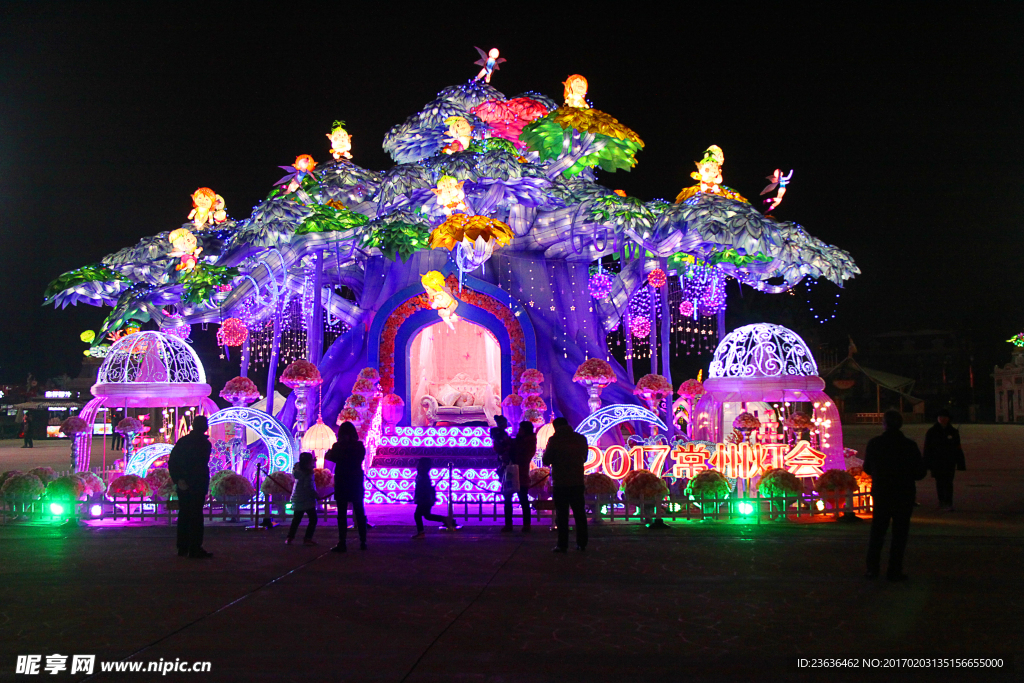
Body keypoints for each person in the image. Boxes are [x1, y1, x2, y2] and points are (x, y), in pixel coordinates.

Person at [862, 410, 927, 581]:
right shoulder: (909, 445)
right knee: (900, 534)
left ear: (884, 424)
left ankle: (872, 568)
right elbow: (920, 472)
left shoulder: (875, 443)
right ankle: (894, 570)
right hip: (903, 493)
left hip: (882, 492)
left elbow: (867, 468)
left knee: (878, 531)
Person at [167, 415, 213, 559]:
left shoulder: (183, 441)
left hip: (184, 483)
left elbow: (173, 461)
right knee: (196, 515)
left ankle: (183, 546)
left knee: (185, 514)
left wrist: (178, 479)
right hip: (197, 483)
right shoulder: (204, 444)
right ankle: (194, 547)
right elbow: (199, 465)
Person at [542, 417, 588, 552]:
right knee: (580, 514)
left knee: (562, 515)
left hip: (561, 482)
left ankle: (562, 544)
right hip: (577, 481)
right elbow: (584, 458)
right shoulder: (580, 439)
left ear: (556, 427)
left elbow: (546, 460)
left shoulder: (555, 440)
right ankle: (582, 543)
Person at [325, 421, 367, 552]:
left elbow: (329, 457)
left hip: (342, 479)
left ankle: (342, 542)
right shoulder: (359, 446)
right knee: (359, 511)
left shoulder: (338, 447)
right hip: (355, 479)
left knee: (342, 513)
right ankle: (363, 541)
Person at [923, 408, 966, 511]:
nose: (942, 419)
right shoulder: (932, 431)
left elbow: (958, 448)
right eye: (940, 417)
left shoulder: (953, 432)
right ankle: (941, 501)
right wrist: (926, 462)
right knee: (939, 482)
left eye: (945, 417)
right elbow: (927, 448)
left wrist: (960, 463)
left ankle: (949, 503)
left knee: (948, 482)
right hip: (936, 462)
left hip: (949, 462)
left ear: (948, 419)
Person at [411, 457, 456, 538]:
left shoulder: (422, 476)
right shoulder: (423, 475)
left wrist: (419, 498)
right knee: (427, 515)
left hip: (424, 499)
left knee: (418, 515)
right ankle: (446, 520)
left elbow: (423, 489)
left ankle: (421, 533)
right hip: (426, 499)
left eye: (419, 464)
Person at [502, 421, 535, 532]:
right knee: (509, 499)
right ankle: (509, 524)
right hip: (513, 472)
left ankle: (525, 525)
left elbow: (523, 456)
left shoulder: (528, 441)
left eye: (521, 429)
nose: (519, 430)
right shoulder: (519, 440)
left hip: (520, 473)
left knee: (523, 500)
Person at [286, 452, 318, 545]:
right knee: (313, 519)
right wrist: (315, 495)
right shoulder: (308, 473)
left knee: (296, 519)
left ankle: (290, 537)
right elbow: (308, 487)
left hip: (297, 497)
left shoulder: (296, 470)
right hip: (307, 499)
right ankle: (307, 538)